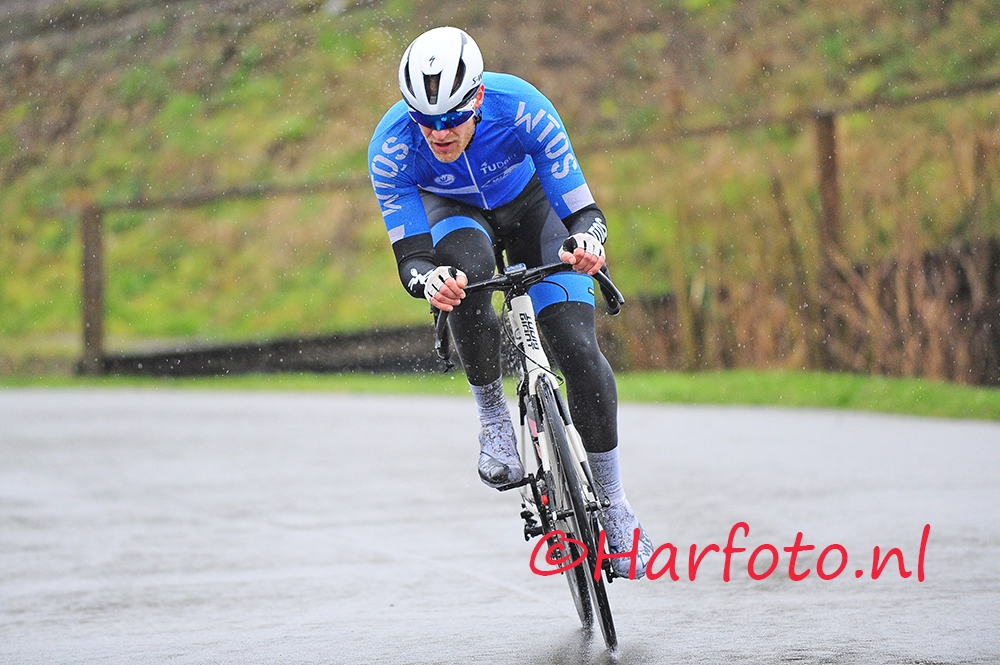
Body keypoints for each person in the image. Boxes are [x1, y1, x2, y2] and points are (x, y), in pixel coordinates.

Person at [367, 26, 652, 578]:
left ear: (477, 98)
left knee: (575, 346)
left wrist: (588, 243)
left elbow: (584, 212)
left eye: (453, 117)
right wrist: (430, 281)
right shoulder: (391, 146)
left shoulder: (522, 107)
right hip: (454, 213)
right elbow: (412, 258)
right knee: (464, 275)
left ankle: (616, 505)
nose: (439, 133)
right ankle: (493, 417)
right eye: (425, 119)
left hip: (532, 208)